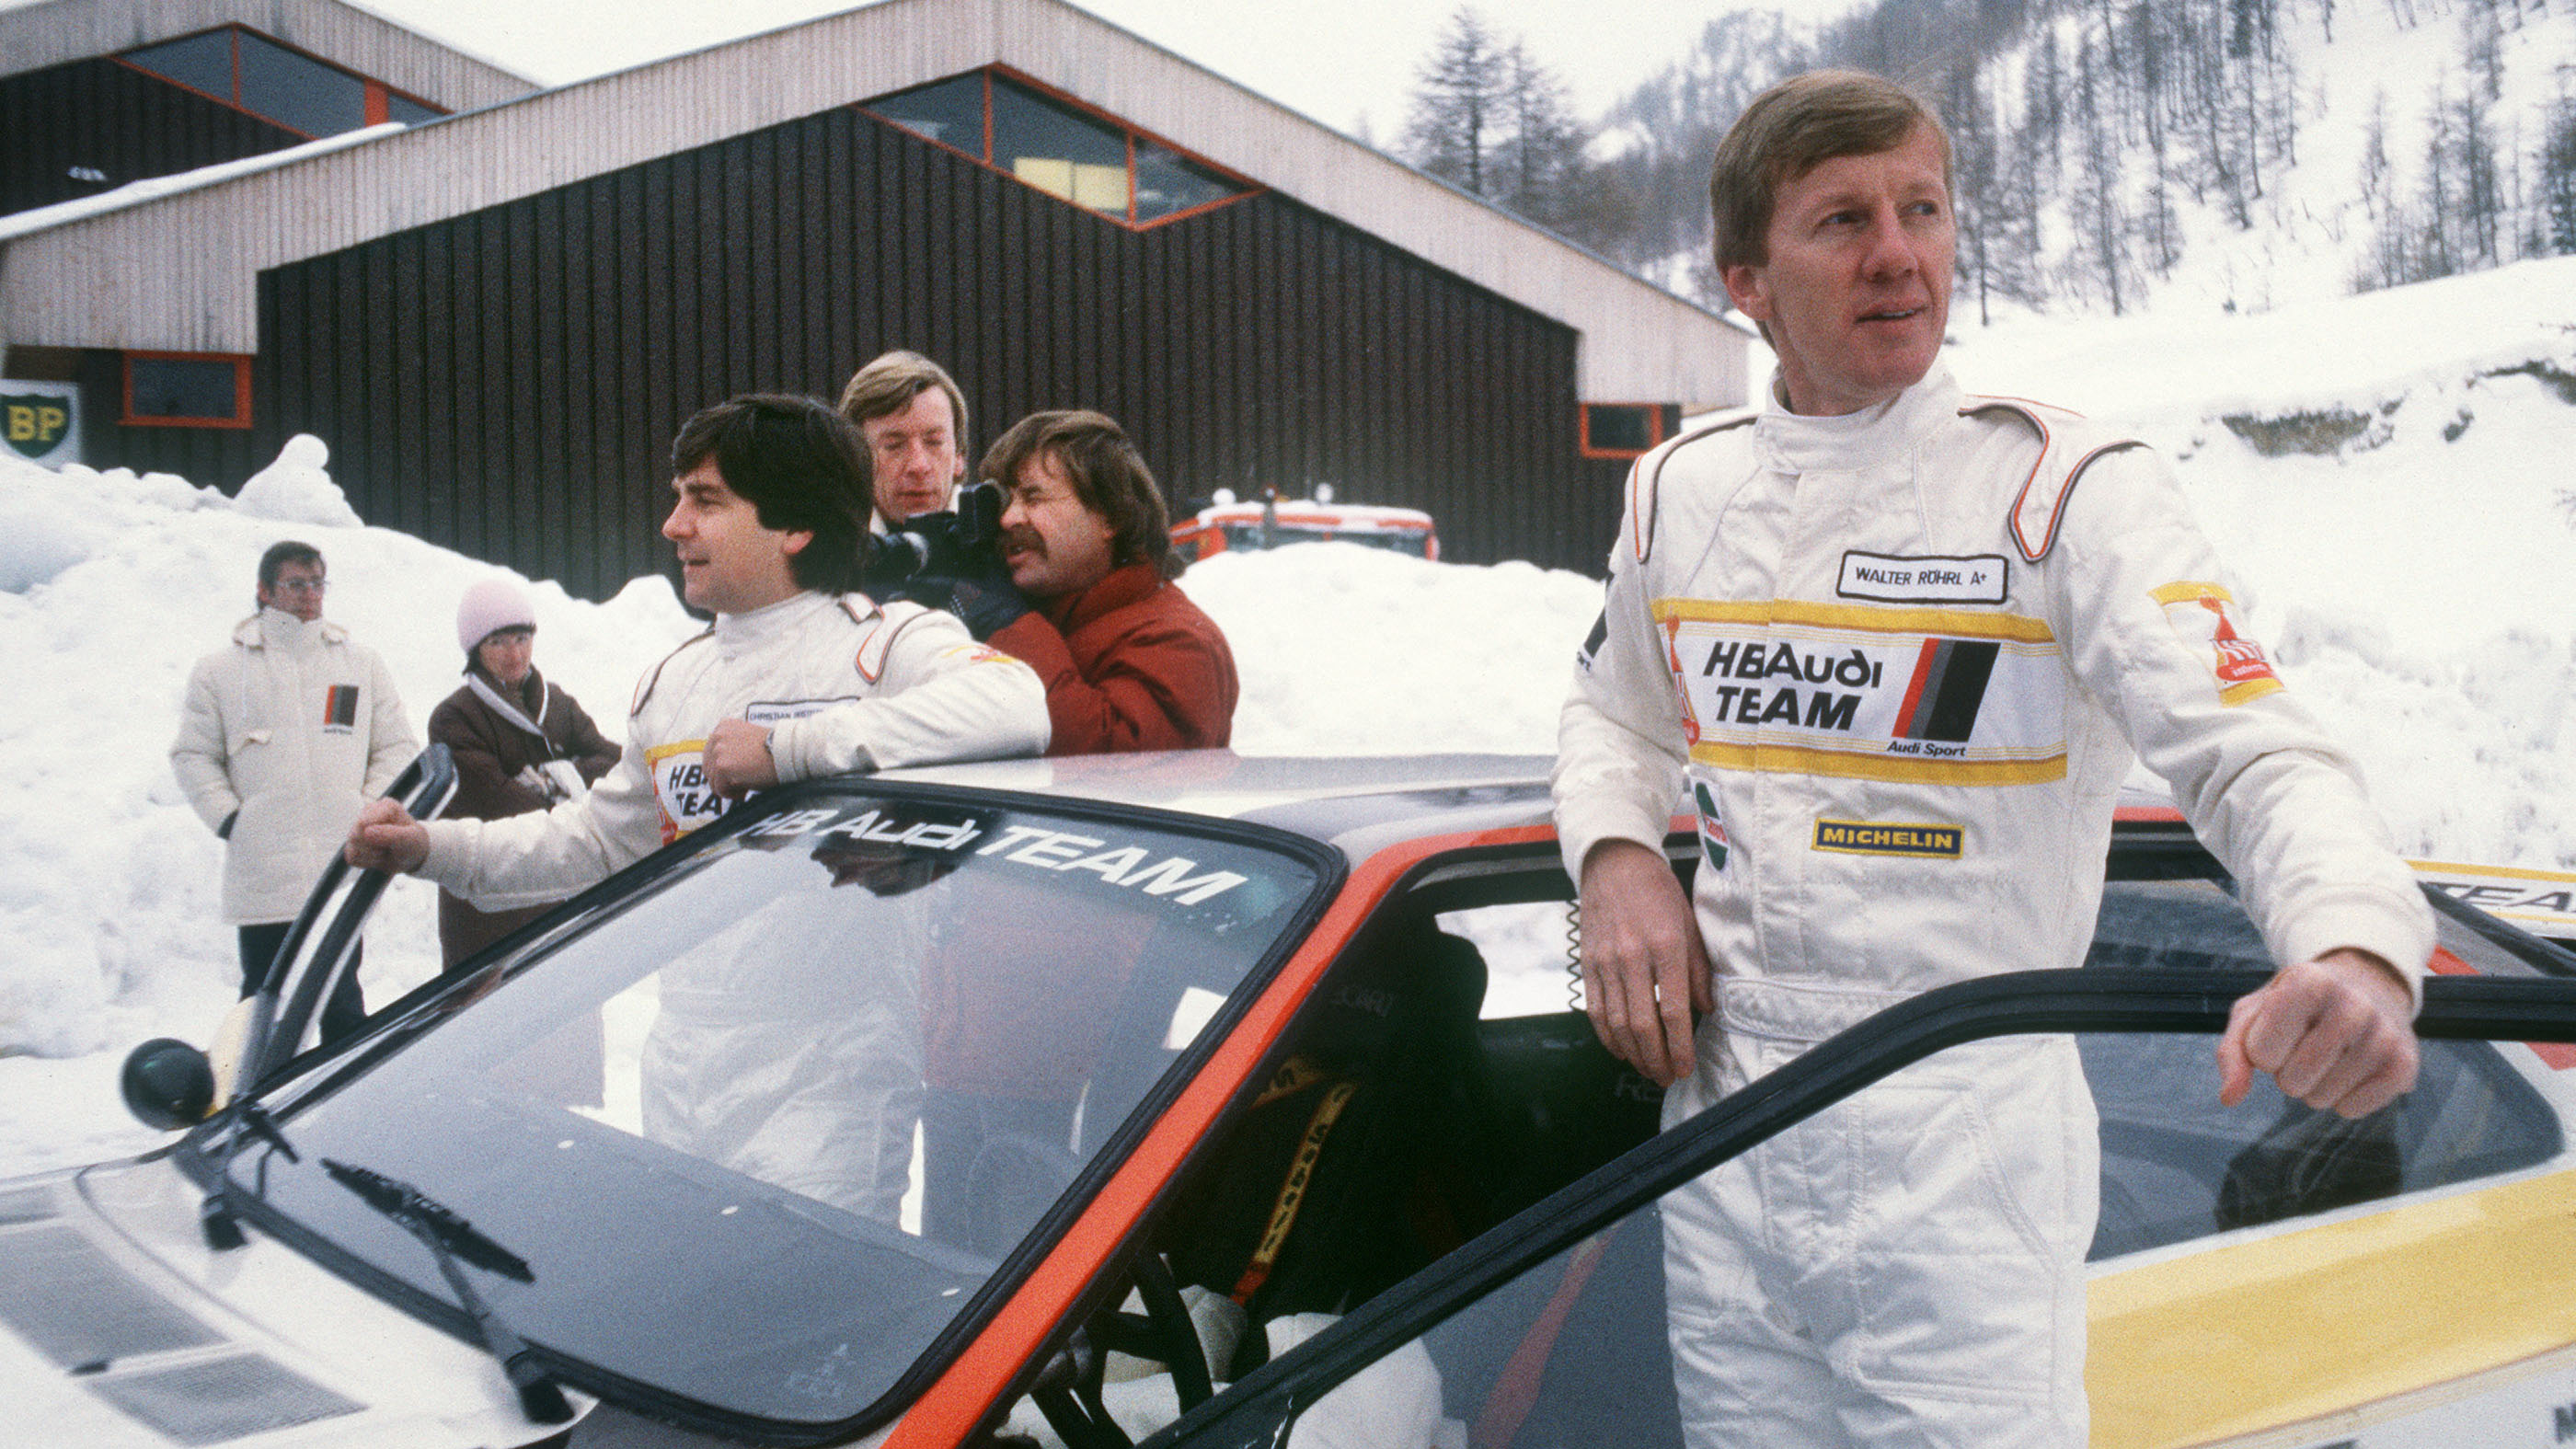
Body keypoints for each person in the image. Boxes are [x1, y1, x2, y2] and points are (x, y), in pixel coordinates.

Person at [1552, 71, 2431, 1448]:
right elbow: (1614, 717)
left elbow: (2258, 752)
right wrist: (1616, 860)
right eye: (1841, 220)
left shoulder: (2065, 490)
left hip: (1960, 1146)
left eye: (1924, 210)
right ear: (1746, 281)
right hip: (1727, 1123)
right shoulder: (1683, 489)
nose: (1899, 251)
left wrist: (2358, 944)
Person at [347, 395, 1050, 1223]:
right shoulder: (675, 679)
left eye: (705, 500)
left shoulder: (883, 642)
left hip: (829, 1070)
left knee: (800, 1322)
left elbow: (1016, 703)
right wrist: (430, 848)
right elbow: (594, 846)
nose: (674, 525)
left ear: (793, 527)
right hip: (684, 1064)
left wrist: (791, 751)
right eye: (679, 497)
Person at [172, 540, 417, 1042]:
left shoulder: (358, 664)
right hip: (266, 874)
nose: (310, 596)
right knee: (261, 1009)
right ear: (264, 591)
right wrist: (232, 820)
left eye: (318, 583)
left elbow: (397, 746)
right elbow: (193, 755)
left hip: (339, 863)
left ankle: (345, 1111)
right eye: (296, 584)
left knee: (342, 1000)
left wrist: (365, 809)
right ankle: (248, 1109)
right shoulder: (221, 672)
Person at [974, 409, 1237, 754]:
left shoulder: (1181, 641)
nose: (1008, 518)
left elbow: (1114, 767)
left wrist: (1011, 626)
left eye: (1033, 498)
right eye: (1006, 501)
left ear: (1110, 516)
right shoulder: (1050, 614)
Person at [425, 578, 619, 972]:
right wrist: (575, 796)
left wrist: (556, 777)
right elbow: (498, 803)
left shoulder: (558, 704)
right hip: (489, 912)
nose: (514, 653)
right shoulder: (454, 718)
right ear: (475, 650)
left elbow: (614, 762)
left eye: (521, 637)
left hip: (560, 897)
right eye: (497, 642)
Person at [838, 349, 969, 527]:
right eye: (893, 446)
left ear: (959, 456)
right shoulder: (818, 549)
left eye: (934, 442)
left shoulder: (1003, 546)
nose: (918, 466)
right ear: (853, 460)